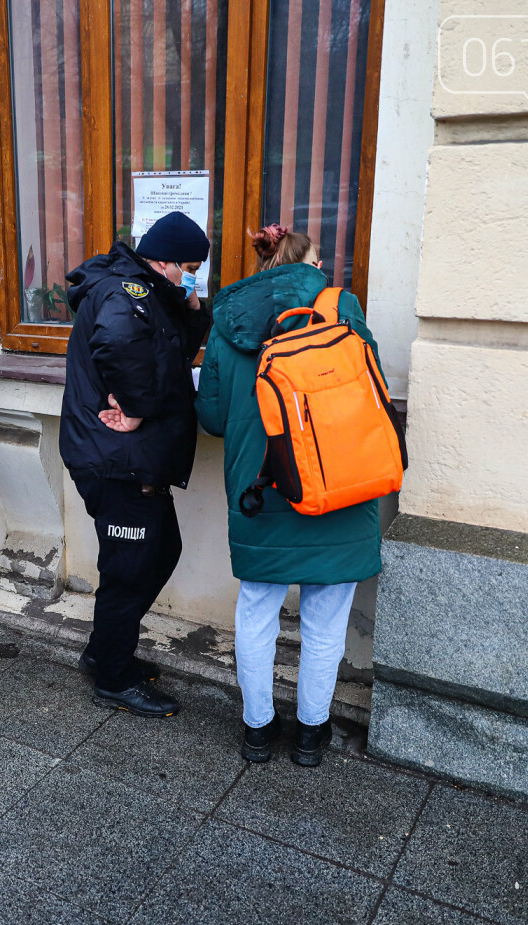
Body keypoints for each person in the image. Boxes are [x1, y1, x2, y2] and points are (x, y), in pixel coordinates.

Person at [195, 224, 385, 767]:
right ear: (310, 263)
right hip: (339, 486)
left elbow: (210, 417)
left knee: (257, 613)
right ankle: (309, 734)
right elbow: (370, 390)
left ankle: (257, 730)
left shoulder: (228, 320)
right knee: (326, 622)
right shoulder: (340, 306)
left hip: (261, 490)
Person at [59, 211, 212, 717]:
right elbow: (120, 347)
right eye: (189, 267)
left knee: (161, 551)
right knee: (129, 571)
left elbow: (176, 351)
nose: (192, 276)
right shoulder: (126, 294)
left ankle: (107, 649)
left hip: (132, 460)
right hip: (115, 459)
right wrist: (140, 408)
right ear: (164, 260)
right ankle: (114, 677)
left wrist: (191, 305)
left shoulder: (150, 293)